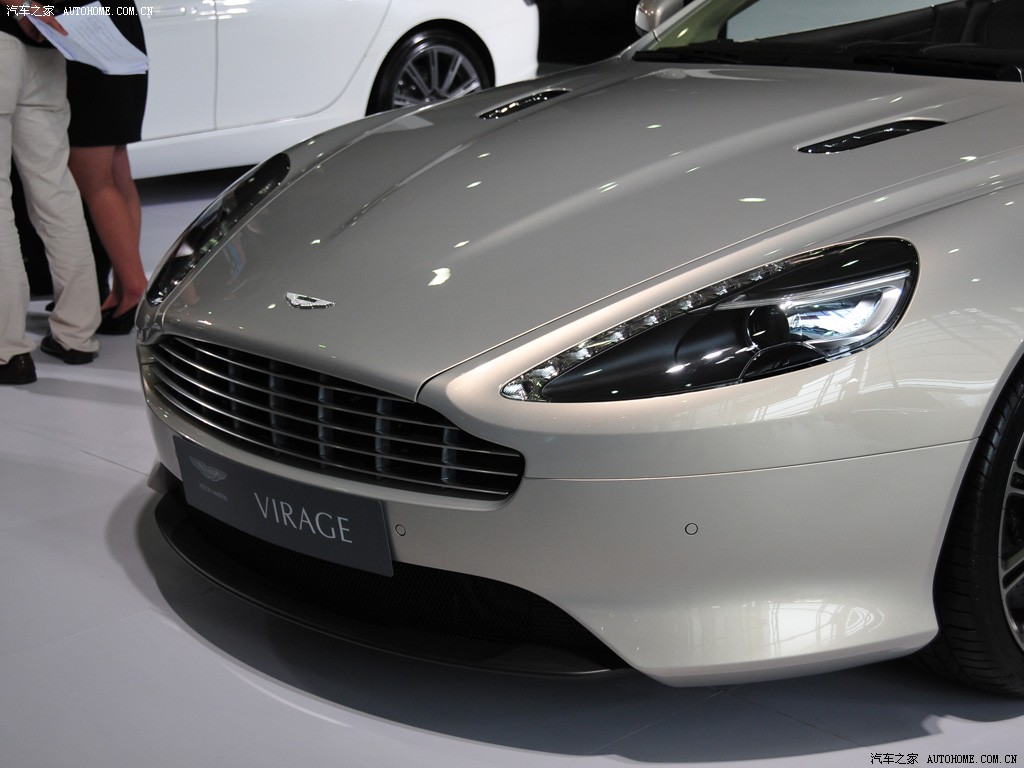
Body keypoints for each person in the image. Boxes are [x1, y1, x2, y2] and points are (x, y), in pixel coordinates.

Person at [0, 1, 101, 385]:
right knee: (56, 193)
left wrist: (23, 5)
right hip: (46, 49)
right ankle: (77, 335)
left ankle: (8, 351)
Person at [66, 1, 148, 335]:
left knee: (96, 181)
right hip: (119, 27)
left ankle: (134, 287)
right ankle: (124, 288)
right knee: (117, 173)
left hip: (88, 34)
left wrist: (13, 11)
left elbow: (29, 10)